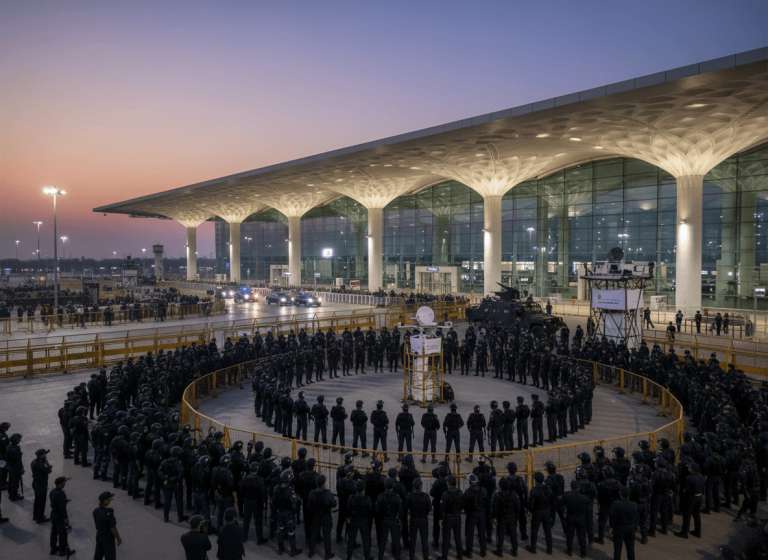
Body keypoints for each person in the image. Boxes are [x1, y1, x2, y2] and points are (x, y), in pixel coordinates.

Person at [308, 474, 336, 560]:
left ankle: (311, 551)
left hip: (316, 516)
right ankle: (327, 553)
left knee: (313, 534)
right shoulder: (328, 493)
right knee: (327, 535)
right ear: (324, 483)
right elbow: (334, 504)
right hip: (325, 516)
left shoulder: (312, 493)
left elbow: (309, 507)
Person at [526, 472, 553, 555]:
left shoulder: (534, 490)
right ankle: (549, 549)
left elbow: (532, 503)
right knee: (548, 531)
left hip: (537, 512)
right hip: (547, 511)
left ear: (536, 480)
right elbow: (551, 498)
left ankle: (533, 548)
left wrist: (530, 510)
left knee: (534, 530)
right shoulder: (548, 488)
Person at [376, 478, 403, 560]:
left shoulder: (381, 496)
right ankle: (397, 556)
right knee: (396, 540)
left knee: (383, 540)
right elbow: (401, 510)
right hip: (393, 520)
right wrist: (400, 519)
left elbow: (377, 509)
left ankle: (380, 556)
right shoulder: (396, 496)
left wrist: (380, 518)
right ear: (393, 486)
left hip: (384, 520)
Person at [561, 480, 589, 558]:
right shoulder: (584, 497)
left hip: (571, 517)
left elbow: (562, 504)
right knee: (582, 536)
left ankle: (569, 551)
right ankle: (583, 553)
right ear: (578, 488)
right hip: (581, 518)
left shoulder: (567, 496)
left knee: (570, 535)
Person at [405, 478, 432, 560]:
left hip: (413, 519)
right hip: (423, 519)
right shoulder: (426, 496)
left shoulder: (409, 496)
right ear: (421, 486)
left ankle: (411, 557)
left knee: (412, 539)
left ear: (413, 487)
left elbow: (406, 507)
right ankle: (425, 557)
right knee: (424, 540)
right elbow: (430, 508)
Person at [346, 480, 373, 560]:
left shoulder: (351, 497)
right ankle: (367, 557)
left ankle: (349, 557)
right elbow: (370, 509)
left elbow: (348, 508)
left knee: (351, 539)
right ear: (364, 488)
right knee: (365, 540)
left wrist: (348, 517)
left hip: (354, 520)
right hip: (363, 520)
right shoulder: (367, 498)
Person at [609, 487, 637, 560]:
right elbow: (636, 517)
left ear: (620, 493)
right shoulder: (634, 505)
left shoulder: (616, 503)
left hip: (619, 527)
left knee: (617, 548)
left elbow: (612, 516)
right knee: (630, 548)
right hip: (630, 527)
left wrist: (611, 526)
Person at [439, 475, 464, 560]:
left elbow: (442, 507)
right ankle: (460, 555)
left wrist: (440, 518)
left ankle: (444, 556)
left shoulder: (445, 494)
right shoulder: (460, 492)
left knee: (446, 537)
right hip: (457, 516)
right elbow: (462, 504)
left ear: (448, 484)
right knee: (458, 536)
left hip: (448, 517)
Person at [93, 491, 122, 560]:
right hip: (107, 538)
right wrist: (118, 538)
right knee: (110, 556)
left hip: (99, 535)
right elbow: (113, 528)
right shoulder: (109, 513)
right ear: (105, 501)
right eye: (109, 499)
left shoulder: (95, 511)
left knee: (98, 554)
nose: (110, 500)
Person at [49, 477, 74, 557]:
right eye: (63, 483)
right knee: (62, 533)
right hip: (59, 516)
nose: (64, 484)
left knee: (54, 531)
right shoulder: (60, 494)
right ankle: (62, 550)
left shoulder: (53, 491)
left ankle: (53, 548)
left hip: (53, 514)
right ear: (59, 484)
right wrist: (65, 518)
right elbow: (62, 508)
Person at [31, 448, 53, 523]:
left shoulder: (34, 462)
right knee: (41, 502)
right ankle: (40, 518)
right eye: (44, 454)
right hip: (41, 485)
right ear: (41, 455)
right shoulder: (40, 465)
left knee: (37, 500)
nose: (45, 455)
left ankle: (35, 515)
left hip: (35, 484)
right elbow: (49, 470)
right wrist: (48, 464)